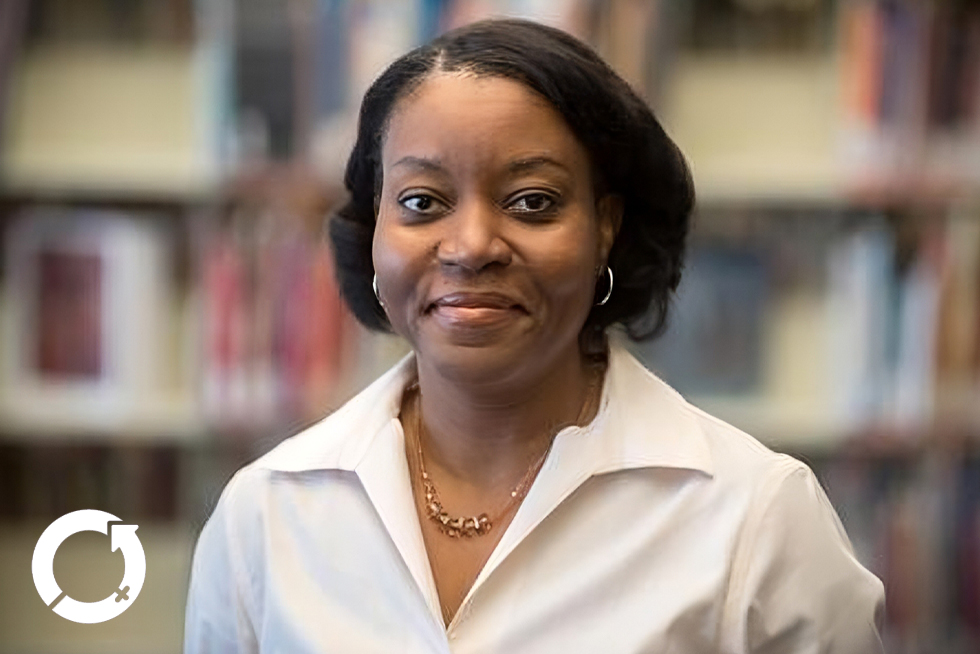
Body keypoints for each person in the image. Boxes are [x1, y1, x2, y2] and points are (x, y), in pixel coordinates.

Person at [184, 18, 885, 653]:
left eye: (532, 202)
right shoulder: (264, 516)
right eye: (422, 202)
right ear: (374, 231)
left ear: (605, 227)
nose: (471, 246)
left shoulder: (756, 518)